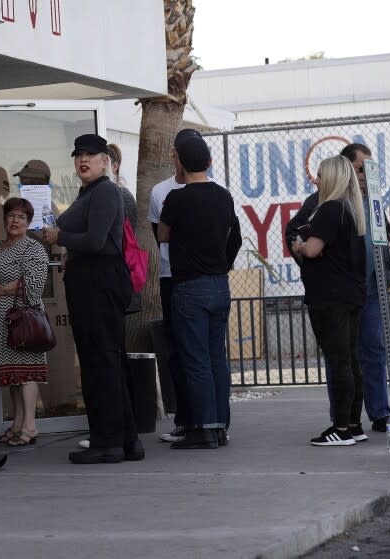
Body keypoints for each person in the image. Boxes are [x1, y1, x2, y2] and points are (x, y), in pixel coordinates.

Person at [43, 133, 143, 464]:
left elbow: (98, 240)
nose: (82, 159)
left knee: (101, 362)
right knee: (104, 361)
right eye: (78, 155)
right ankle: (126, 441)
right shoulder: (89, 192)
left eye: (90, 154)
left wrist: (61, 237)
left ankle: (108, 442)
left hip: (99, 284)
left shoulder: (106, 191)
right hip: (90, 282)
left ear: (106, 161)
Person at [286, 143, 390, 437]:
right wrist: (305, 253)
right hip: (342, 292)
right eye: (361, 168)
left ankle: (376, 414)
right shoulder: (322, 202)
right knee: (342, 356)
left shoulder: (369, 203)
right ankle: (344, 418)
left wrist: (388, 273)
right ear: (346, 168)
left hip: (366, 291)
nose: (365, 175)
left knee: (370, 352)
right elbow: (296, 232)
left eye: (370, 169)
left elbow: (384, 240)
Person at [158, 133, 242, 450]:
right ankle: (220, 425)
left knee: (195, 359)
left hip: (189, 285)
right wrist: (224, 262)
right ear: (208, 161)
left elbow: (163, 235)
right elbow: (235, 237)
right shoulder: (223, 196)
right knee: (216, 357)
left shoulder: (177, 199)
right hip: (219, 283)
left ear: (179, 161)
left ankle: (203, 427)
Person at [290, 155, 366, 446]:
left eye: (320, 175)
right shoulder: (351, 209)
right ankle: (355, 424)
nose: (316, 181)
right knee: (351, 359)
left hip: (330, 298)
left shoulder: (329, 209)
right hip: (351, 294)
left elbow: (311, 250)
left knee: (339, 362)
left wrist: (299, 244)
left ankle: (341, 428)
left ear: (332, 178)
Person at [0, 197, 49, 446]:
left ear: (28, 222)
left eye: (21, 217)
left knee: (26, 371)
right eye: (11, 215)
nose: (15, 220)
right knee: (13, 375)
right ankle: (17, 423)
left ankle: (30, 426)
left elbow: (34, 283)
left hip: (21, 320)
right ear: (5, 218)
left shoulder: (33, 248)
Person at [148, 129, 202, 443]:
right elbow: (160, 236)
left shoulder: (215, 188)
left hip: (203, 278)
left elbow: (229, 236)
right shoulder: (160, 192)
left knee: (203, 353)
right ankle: (184, 419)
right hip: (171, 278)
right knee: (177, 352)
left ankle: (212, 419)